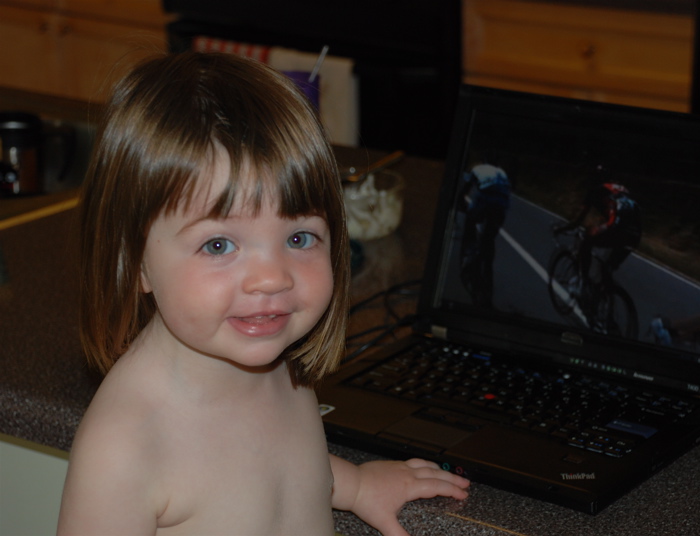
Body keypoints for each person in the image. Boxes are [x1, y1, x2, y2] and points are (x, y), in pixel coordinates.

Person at [57, 52, 469, 536]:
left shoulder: (278, 365)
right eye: (218, 245)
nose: (272, 279)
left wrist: (356, 486)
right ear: (134, 262)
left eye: (299, 237)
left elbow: (275, 467)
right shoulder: (125, 446)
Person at [555, 177, 642, 301]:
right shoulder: (619, 189)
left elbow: (579, 220)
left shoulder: (595, 191)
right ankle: (605, 299)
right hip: (635, 235)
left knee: (586, 243)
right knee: (607, 268)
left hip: (618, 229)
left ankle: (583, 284)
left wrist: (562, 229)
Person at [458, 159, 511, 306]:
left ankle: (470, 253)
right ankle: (486, 259)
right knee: (489, 237)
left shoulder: (476, 169)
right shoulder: (501, 172)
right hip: (503, 203)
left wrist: (462, 204)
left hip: (486, 198)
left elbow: (464, 191)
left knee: (470, 221)